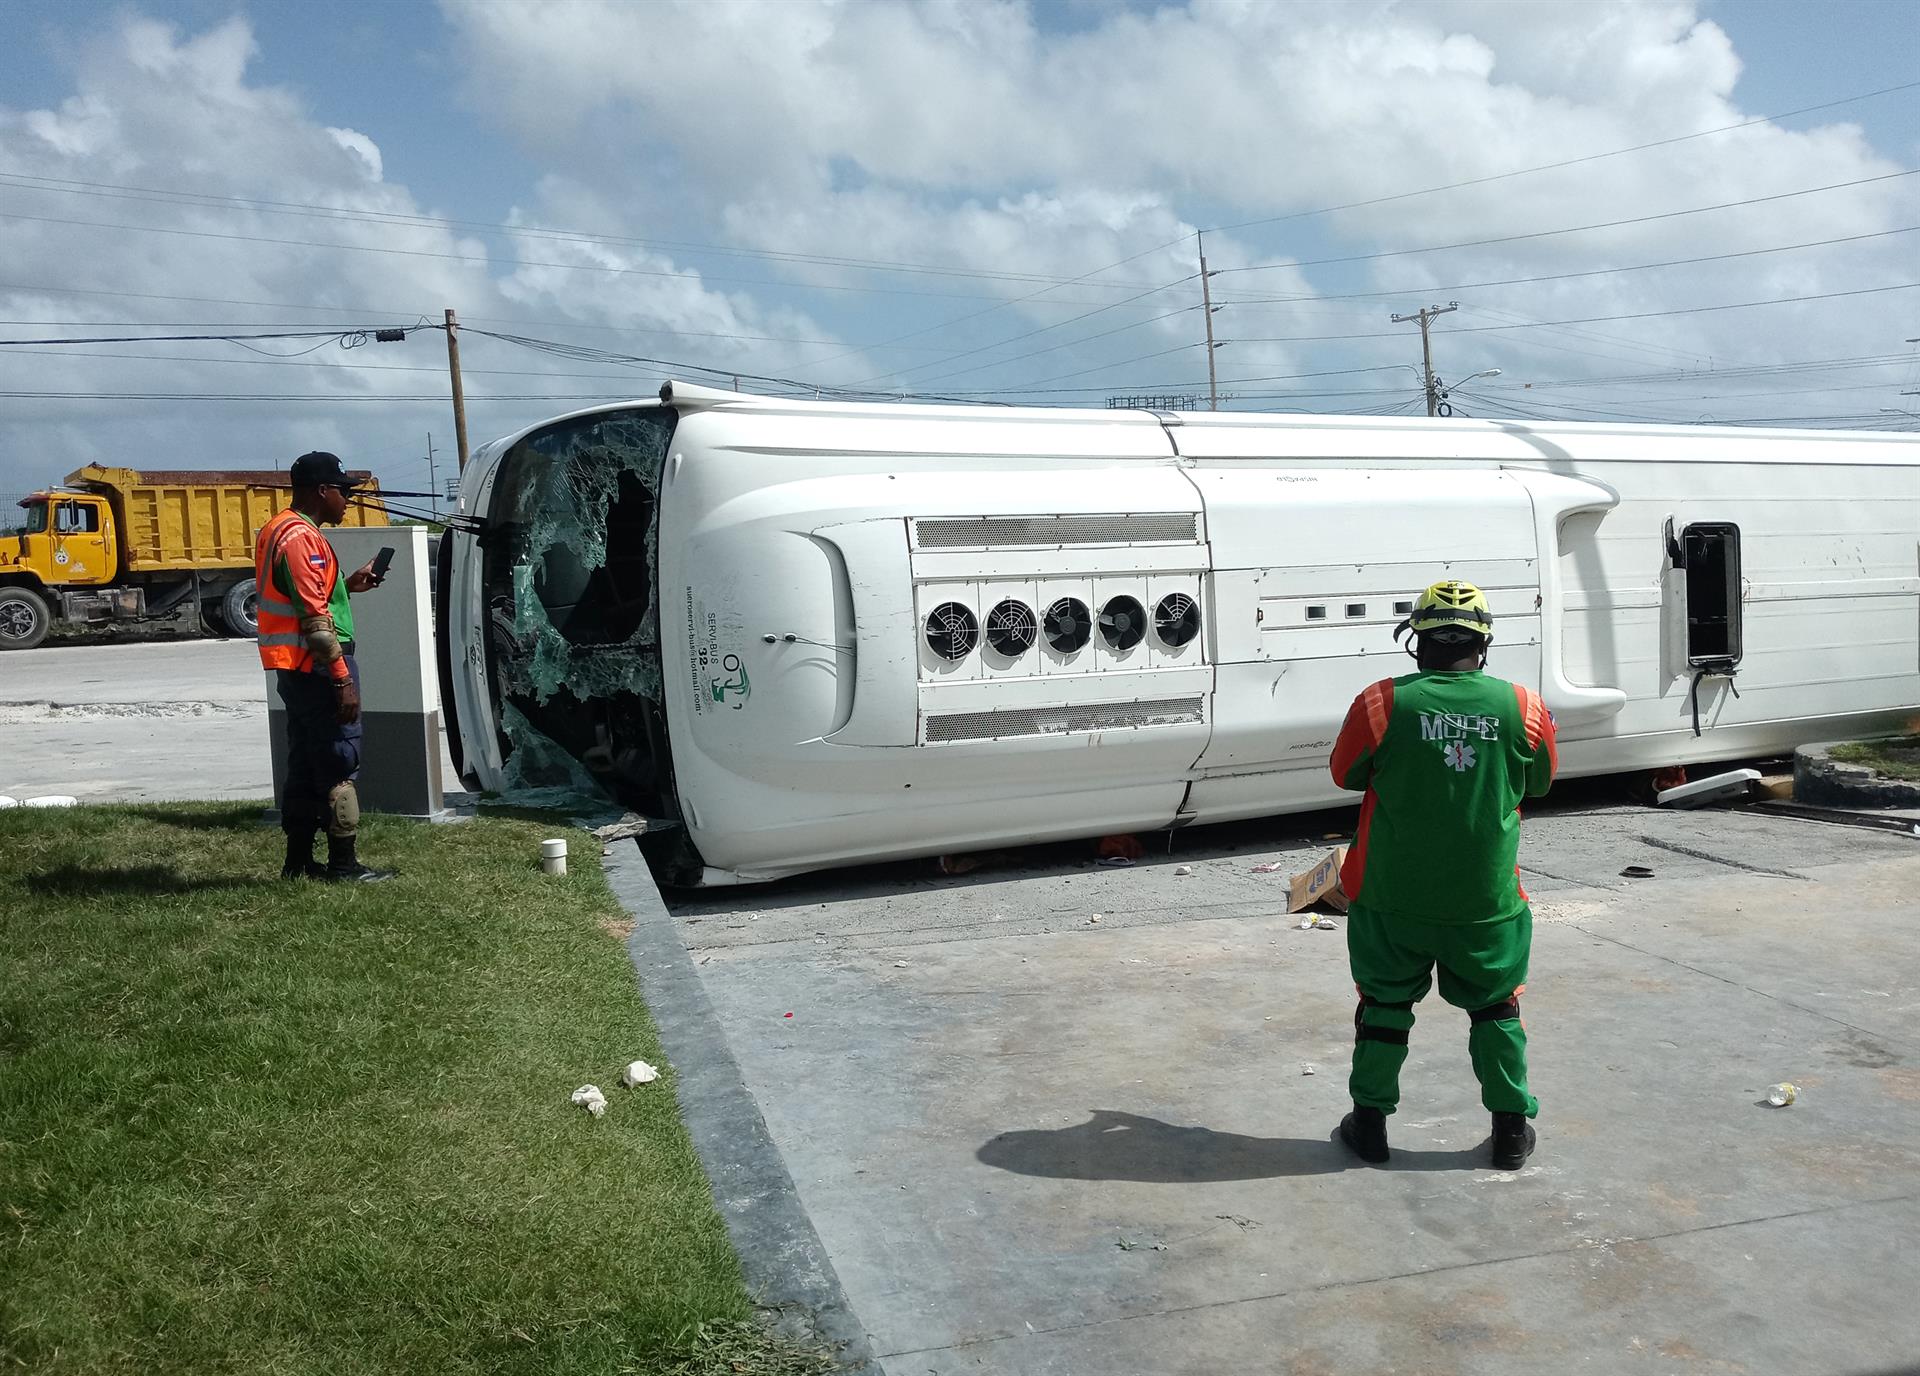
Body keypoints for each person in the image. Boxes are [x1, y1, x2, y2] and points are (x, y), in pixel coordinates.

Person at [1326, 580, 1556, 1169]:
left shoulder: (1381, 702)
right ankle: (1510, 1129)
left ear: (1415, 641)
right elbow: (1538, 783)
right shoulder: (1523, 706)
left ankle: (1370, 1125)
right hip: (1485, 901)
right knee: (1497, 1009)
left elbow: (1344, 774)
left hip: (1389, 896)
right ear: (1484, 643)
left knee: (1382, 1007)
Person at [254, 451, 393, 883]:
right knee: (339, 759)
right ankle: (343, 865)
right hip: (317, 666)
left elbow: (306, 599)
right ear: (322, 491)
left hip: (294, 669)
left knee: (305, 762)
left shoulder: (277, 530)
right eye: (343, 491)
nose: (348, 499)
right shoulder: (302, 539)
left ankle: (298, 863)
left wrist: (346, 586)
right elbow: (315, 623)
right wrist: (342, 679)